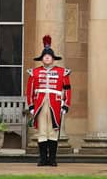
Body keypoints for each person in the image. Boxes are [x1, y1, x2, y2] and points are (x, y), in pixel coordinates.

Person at [26, 35, 71, 166]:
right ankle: (42, 159)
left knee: (53, 132)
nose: (47, 57)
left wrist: (66, 104)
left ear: (53, 58)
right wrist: (31, 106)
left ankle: (52, 159)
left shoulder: (62, 72)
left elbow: (67, 89)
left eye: (49, 56)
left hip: (55, 104)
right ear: (41, 58)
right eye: (45, 56)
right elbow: (29, 91)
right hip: (40, 104)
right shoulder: (34, 72)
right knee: (42, 131)